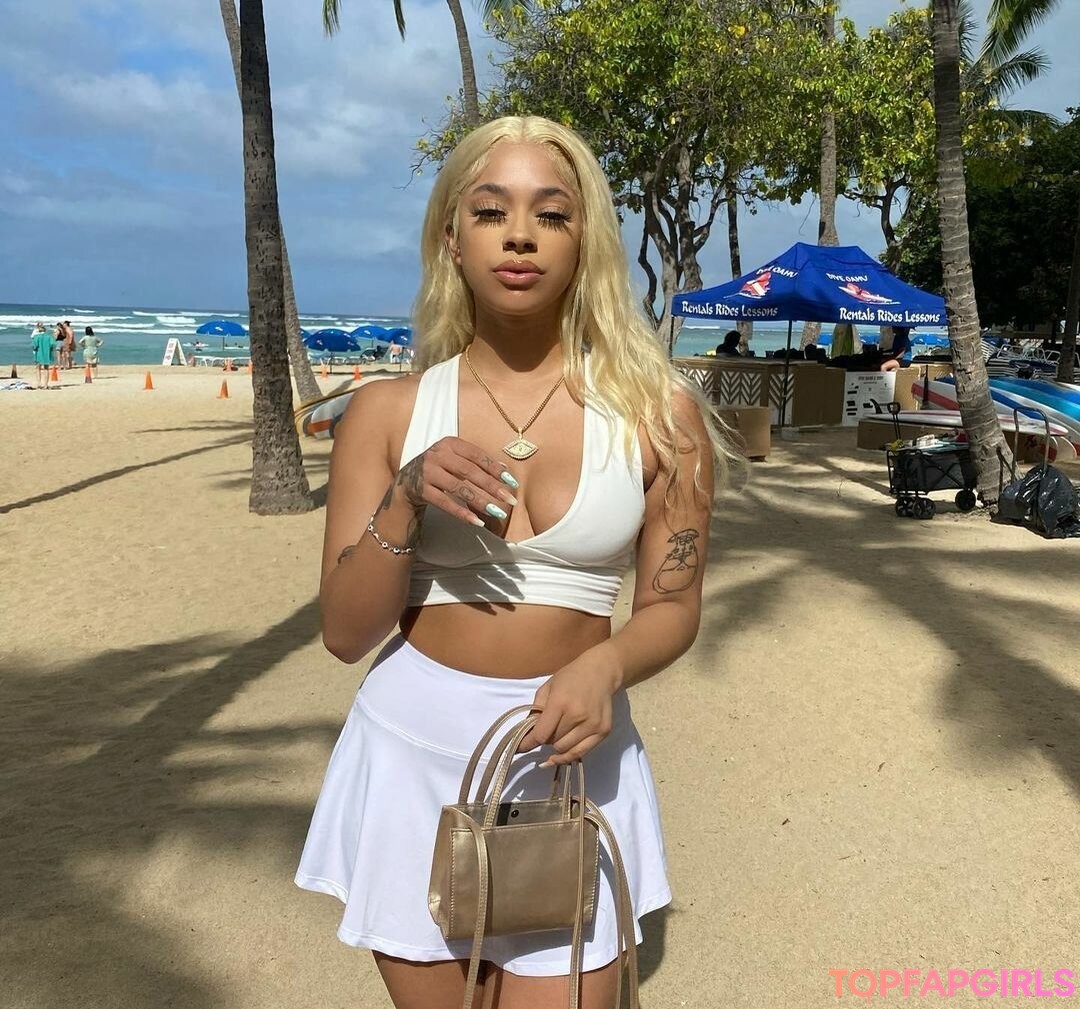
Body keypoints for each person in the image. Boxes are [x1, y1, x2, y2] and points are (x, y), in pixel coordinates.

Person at [294, 115, 741, 1009]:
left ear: (585, 242)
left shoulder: (660, 418)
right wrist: (406, 496)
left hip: (574, 762)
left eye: (553, 213)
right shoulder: (386, 413)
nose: (522, 235)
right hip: (411, 756)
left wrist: (606, 665)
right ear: (451, 239)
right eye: (492, 210)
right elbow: (345, 632)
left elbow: (673, 605)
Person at [31, 323, 55, 389]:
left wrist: (35, 349)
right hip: (46, 354)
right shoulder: (49, 337)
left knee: (38, 368)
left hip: (39, 354)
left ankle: (39, 383)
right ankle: (45, 385)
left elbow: (34, 346)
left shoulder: (37, 337)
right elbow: (52, 345)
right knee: (46, 369)